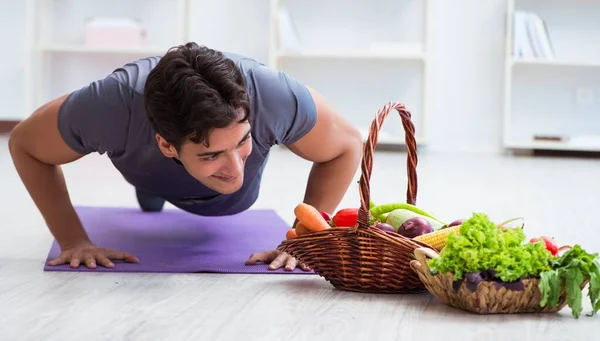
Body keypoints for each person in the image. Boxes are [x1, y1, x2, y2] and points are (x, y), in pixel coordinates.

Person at [8, 42, 363, 272]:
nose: (235, 166)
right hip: (145, 168)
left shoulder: (275, 97)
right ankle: (154, 187)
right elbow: (24, 143)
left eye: (242, 142)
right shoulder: (109, 107)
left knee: (230, 182)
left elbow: (347, 145)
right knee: (149, 182)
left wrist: (304, 240)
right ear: (165, 145)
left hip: (231, 202)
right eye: (212, 154)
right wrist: (72, 241)